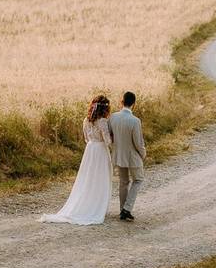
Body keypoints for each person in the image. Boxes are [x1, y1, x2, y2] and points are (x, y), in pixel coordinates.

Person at [39, 95, 113, 225]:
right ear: (105, 109)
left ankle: (88, 203)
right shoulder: (102, 122)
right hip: (100, 151)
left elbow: (86, 138)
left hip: (90, 150)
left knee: (88, 178)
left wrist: (93, 142)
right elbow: (107, 141)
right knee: (100, 178)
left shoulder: (86, 120)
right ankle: (97, 206)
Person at [108, 91, 146, 221]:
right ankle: (127, 208)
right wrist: (143, 154)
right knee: (138, 179)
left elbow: (110, 135)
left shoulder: (113, 117)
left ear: (122, 101)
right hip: (132, 156)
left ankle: (122, 210)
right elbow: (138, 142)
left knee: (123, 182)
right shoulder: (135, 121)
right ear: (134, 104)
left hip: (119, 155)